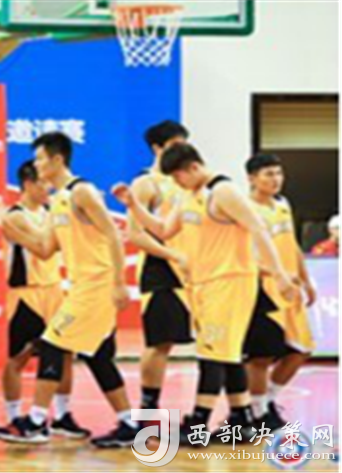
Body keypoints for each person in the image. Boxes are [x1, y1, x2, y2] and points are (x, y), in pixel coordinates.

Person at [112, 143, 296, 446]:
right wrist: (133, 205)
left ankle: (196, 424)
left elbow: (258, 230)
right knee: (225, 352)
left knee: (212, 354)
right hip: (202, 284)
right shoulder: (187, 195)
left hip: (231, 281)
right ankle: (242, 419)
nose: (176, 183)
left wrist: (279, 275)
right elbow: (163, 229)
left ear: (193, 168)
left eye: (178, 177)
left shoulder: (223, 192)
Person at [0, 132, 139, 448]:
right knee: (98, 357)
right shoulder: (56, 202)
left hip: (97, 286)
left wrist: (118, 283)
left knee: (52, 344)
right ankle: (129, 424)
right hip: (80, 286)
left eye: (40, 158)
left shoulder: (81, 192)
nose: (36, 165)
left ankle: (35, 422)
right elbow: (44, 249)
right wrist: (7, 226)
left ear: (57, 159)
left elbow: (113, 235)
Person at [0, 160, 90, 440]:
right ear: (28, 184)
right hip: (27, 294)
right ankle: (14, 416)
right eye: (43, 182)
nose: (48, 187)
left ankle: (62, 416)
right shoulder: (16, 216)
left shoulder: (51, 212)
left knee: (64, 355)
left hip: (54, 291)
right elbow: (43, 245)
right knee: (19, 358)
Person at [244, 154, 316, 430]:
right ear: (252, 178)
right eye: (268, 174)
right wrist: (277, 275)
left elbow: (292, 245)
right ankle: (257, 411)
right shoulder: (245, 210)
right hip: (263, 291)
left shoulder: (282, 205)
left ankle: (269, 400)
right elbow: (245, 257)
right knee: (261, 356)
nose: (276, 179)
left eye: (278, 173)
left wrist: (306, 280)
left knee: (301, 350)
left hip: (290, 290)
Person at [127, 121, 193, 417]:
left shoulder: (187, 181)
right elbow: (135, 233)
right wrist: (172, 255)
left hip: (194, 269)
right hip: (161, 269)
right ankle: (148, 411)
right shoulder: (146, 183)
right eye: (175, 145)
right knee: (159, 343)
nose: (181, 150)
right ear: (157, 148)